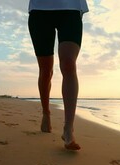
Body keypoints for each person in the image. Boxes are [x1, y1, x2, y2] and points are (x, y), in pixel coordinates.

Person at [28, 0, 89, 151]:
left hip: (71, 8)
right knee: (46, 70)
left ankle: (68, 129)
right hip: (40, 10)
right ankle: (46, 113)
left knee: (68, 63)